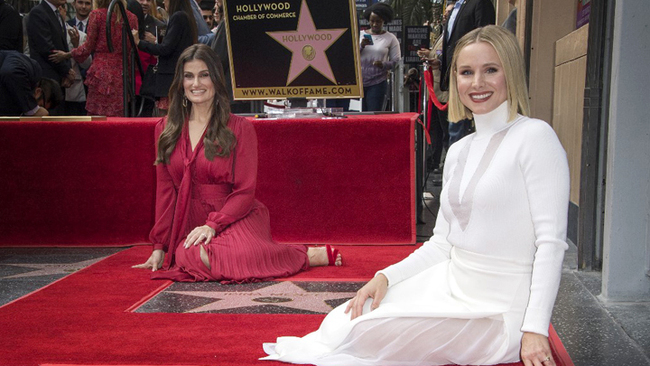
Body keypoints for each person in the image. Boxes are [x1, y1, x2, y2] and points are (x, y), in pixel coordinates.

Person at [262, 25, 569, 366]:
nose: (477, 83)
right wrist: (385, 276)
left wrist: (535, 329)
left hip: (497, 312)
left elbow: (551, 243)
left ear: (510, 72)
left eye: (491, 70)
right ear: (454, 80)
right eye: (466, 72)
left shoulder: (536, 138)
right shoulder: (460, 149)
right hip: (451, 283)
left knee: (371, 337)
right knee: (347, 321)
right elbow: (442, 243)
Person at [132, 44, 342, 282]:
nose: (195, 84)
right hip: (190, 222)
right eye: (188, 76)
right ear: (180, 82)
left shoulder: (241, 128)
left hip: (234, 216)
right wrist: (159, 245)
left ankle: (300, 254)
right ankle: (271, 255)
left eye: (204, 75)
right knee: (192, 256)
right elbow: (166, 191)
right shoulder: (165, 130)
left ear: (216, 79)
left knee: (232, 255)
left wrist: (212, 226)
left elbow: (244, 191)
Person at [48, 0, 138, 116]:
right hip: (122, 71)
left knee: (97, 116)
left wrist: (67, 55)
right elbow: (133, 50)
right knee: (118, 115)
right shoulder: (131, 18)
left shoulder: (97, 15)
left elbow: (87, 47)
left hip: (100, 73)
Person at [442, 0, 495, 145]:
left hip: (475, 75)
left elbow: (485, 36)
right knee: (455, 125)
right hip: (457, 75)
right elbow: (450, 44)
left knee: (460, 128)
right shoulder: (454, 9)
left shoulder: (480, 3)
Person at [133, 0, 197, 115]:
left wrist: (139, 42)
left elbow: (165, 49)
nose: (163, 2)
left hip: (170, 78)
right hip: (177, 76)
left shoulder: (178, 17)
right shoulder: (186, 17)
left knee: (168, 119)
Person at [359, 2, 401, 112]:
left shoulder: (390, 38)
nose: (374, 24)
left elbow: (396, 61)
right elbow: (350, 56)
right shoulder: (359, 35)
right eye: (372, 21)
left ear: (384, 21)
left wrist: (383, 64)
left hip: (377, 83)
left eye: (378, 21)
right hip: (358, 83)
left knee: (373, 114)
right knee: (358, 117)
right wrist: (361, 46)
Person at [26, 0, 75, 90]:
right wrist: (66, 70)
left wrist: (67, 71)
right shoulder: (38, 13)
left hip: (59, 77)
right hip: (46, 79)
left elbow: (63, 47)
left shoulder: (57, 14)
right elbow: (46, 49)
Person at [0, 50, 62, 116]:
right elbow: (10, 73)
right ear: (38, 92)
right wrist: (33, 109)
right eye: (40, 105)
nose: (38, 107)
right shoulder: (33, 70)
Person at [60, 5, 92, 116]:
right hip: (54, 84)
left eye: (87, 3)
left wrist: (76, 45)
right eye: (80, 2)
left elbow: (87, 63)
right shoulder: (45, 31)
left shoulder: (82, 34)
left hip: (76, 86)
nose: (83, 6)